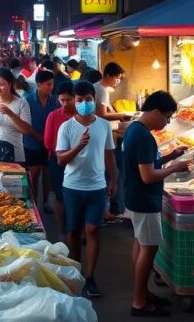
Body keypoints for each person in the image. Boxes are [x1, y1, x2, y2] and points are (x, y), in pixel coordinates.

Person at [122, 91, 190, 317]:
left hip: (135, 196)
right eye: (167, 117)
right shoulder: (143, 136)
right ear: (154, 112)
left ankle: (142, 292)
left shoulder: (135, 129)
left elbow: (146, 163)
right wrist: (175, 168)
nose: (167, 122)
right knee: (148, 249)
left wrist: (170, 156)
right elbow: (148, 176)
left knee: (140, 245)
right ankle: (139, 302)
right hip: (145, 199)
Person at [56, 81, 118, 299]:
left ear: (94, 99)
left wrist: (113, 180)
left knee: (92, 230)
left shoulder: (103, 125)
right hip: (72, 187)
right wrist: (78, 146)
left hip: (97, 187)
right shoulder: (67, 127)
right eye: (80, 100)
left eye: (88, 100)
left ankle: (90, 277)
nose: (84, 104)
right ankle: (75, 271)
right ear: (74, 101)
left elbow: (109, 153)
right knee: (73, 232)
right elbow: (61, 159)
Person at [95, 62, 133, 219]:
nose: (118, 81)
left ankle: (110, 208)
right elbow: (102, 113)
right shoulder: (102, 90)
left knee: (110, 172)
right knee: (113, 172)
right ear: (109, 75)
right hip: (105, 134)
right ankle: (113, 209)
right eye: (117, 78)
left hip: (102, 133)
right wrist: (123, 115)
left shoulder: (98, 87)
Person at [24, 70, 59, 212]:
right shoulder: (27, 100)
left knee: (47, 173)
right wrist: (38, 137)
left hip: (49, 143)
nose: (51, 87)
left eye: (52, 84)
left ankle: (45, 202)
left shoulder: (54, 101)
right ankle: (33, 204)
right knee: (34, 173)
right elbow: (25, 124)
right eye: (48, 84)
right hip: (31, 142)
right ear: (39, 84)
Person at [45, 80, 77, 232]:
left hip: (79, 162)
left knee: (77, 195)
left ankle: (78, 229)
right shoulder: (53, 116)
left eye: (68, 100)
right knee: (59, 196)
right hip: (58, 161)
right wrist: (63, 152)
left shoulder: (81, 116)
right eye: (61, 100)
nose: (64, 104)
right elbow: (47, 142)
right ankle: (63, 229)